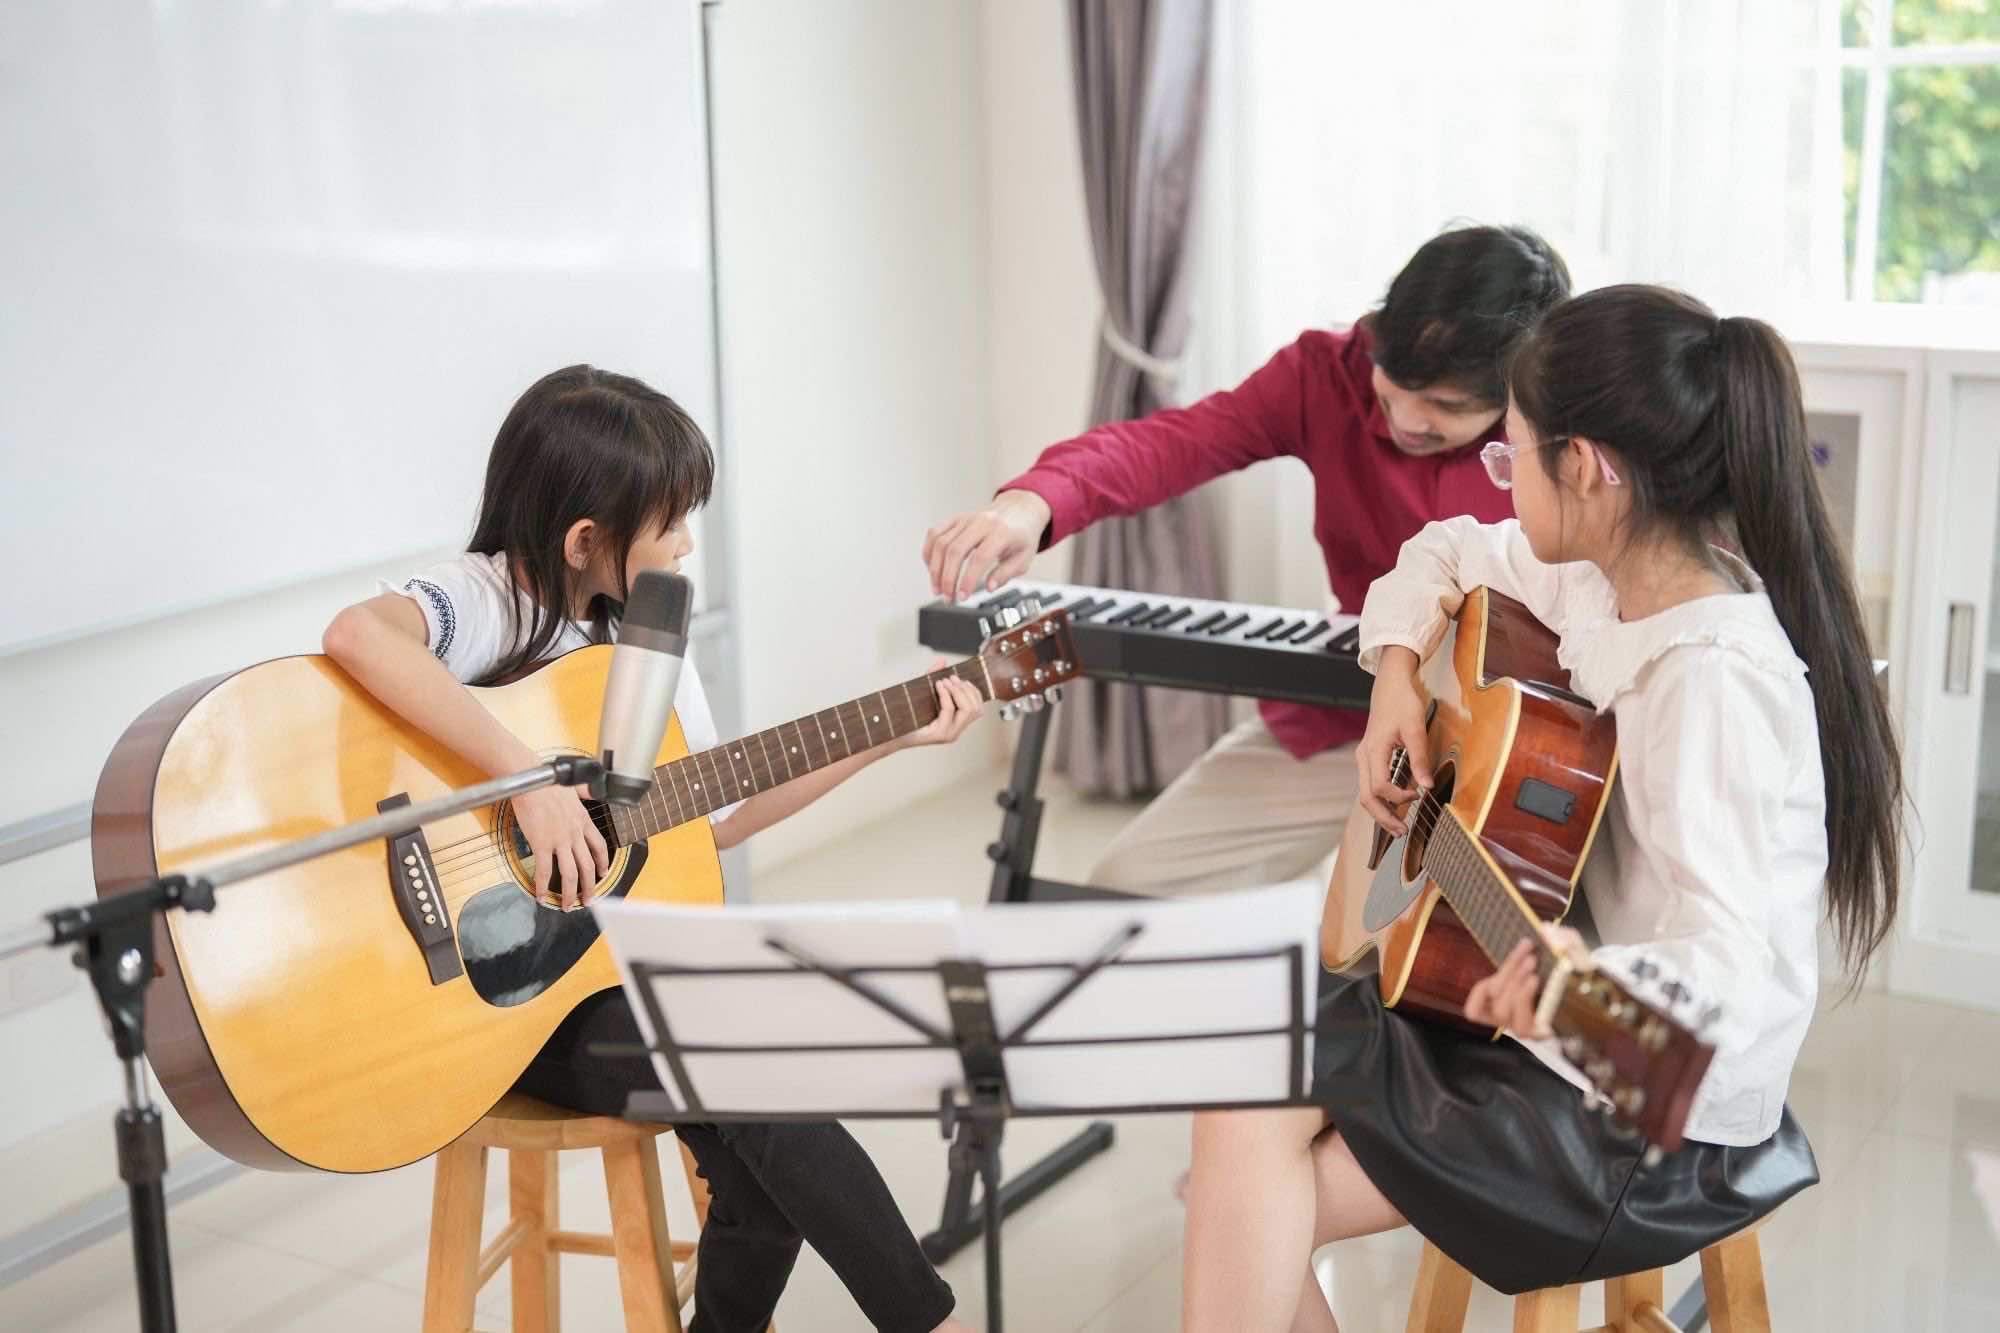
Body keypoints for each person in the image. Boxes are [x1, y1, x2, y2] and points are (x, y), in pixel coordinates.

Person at [1179, 286, 1900, 1330]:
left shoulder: (1712, 681)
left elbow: (1728, 975)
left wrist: (1574, 992)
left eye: (1511, 456)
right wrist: (1393, 678)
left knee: (1245, 1184)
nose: (1499, 482)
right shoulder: (1605, 579)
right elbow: (1443, 549)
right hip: (1542, 1021)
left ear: (1589, 468)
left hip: (1649, 1110)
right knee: (1239, 1097)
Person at [322, 365, 981, 1333]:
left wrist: (892, 731)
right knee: (760, 1083)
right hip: (494, 1007)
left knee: (762, 1131)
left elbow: (717, 814)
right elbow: (358, 634)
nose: (686, 547)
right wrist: (528, 779)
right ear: (585, 539)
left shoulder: (647, 639)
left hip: (598, 974)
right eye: (670, 524)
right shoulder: (486, 597)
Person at [921, 223, 1571, 897]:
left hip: (1520, 747)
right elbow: (1177, 443)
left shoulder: (1563, 430)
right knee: (1127, 888)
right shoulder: (1324, 372)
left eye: (1444, 406)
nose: (1404, 418)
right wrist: (1030, 503)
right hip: (1352, 721)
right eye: (1391, 384)